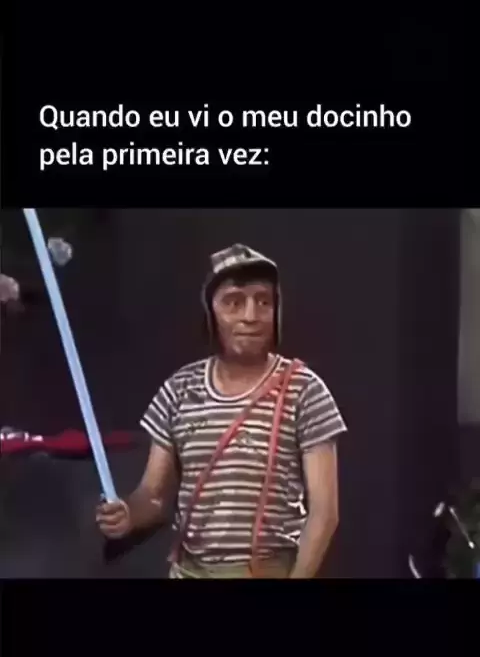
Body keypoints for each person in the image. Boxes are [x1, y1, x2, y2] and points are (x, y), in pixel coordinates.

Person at [96, 244, 347, 578]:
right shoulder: (179, 390)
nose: (250, 316)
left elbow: (324, 514)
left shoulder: (304, 391)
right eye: (233, 302)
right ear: (210, 312)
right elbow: (153, 497)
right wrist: (128, 514)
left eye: (264, 302)